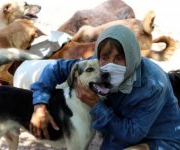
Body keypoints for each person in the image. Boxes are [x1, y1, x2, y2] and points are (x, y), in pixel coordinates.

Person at [29, 25, 180, 149]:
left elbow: (133, 133)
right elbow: (55, 68)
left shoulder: (153, 85)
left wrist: (96, 105)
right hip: (119, 129)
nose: (110, 65)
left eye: (119, 58)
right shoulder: (96, 63)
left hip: (157, 138)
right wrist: (40, 104)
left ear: (132, 56)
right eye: (105, 57)